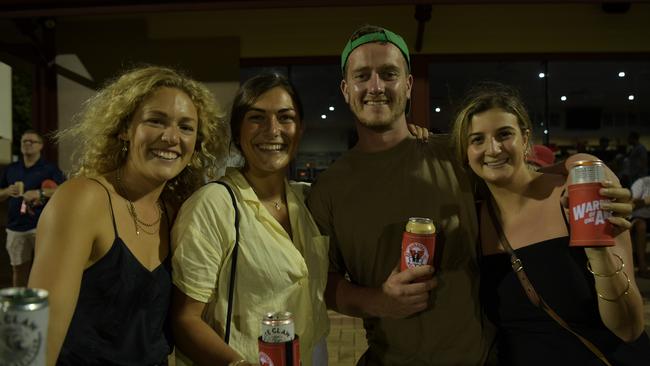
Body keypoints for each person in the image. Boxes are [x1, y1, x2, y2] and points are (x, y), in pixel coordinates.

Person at [307, 25, 493, 365]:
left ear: (407, 86)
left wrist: (576, 167)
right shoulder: (328, 190)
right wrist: (378, 301)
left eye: (389, 74)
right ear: (346, 90)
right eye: (362, 76)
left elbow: (523, 183)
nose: (376, 87)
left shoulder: (457, 156)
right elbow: (322, 284)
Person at [27, 65, 228, 365]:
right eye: (156, 121)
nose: (172, 137)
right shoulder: (83, 200)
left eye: (186, 127)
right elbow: (36, 342)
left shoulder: (175, 211)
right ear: (124, 129)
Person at [450, 82, 650, 365]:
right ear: (465, 151)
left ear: (525, 138)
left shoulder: (575, 197)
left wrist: (598, 252)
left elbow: (629, 329)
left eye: (504, 134)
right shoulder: (473, 220)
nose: (493, 149)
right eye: (477, 139)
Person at [171, 73, 329, 366]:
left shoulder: (307, 202)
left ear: (300, 129)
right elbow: (184, 320)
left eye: (285, 118)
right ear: (238, 131)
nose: (273, 130)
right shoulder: (214, 205)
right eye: (257, 118)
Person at [0, 130, 65, 287]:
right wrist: (7, 191)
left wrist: (40, 192)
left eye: (31, 141)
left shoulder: (49, 169)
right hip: (15, 227)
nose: (27, 144)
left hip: (41, 226)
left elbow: (64, 190)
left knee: (45, 269)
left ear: (40, 146)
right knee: (18, 270)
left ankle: (44, 304)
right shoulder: (11, 169)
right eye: (24, 142)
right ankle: (20, 304)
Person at [630, 175, 650, 277]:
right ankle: (642, 266)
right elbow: (630, 203)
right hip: (638, 216)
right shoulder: (643, 182)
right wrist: (646, 201)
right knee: (641, 225)